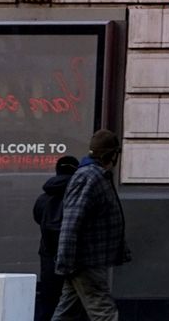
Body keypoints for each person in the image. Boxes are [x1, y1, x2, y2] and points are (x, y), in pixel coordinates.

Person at [53, 130, 130, 321]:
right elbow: (72, 221)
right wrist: (66, 260)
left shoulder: (95, 175)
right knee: (104, 312)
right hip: (87, 261)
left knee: (67, 313)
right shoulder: (89, 177)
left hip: (84, 260)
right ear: (110, 155)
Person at [34, 155, 86, 321]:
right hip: (75, 256)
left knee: (48, 301)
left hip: (48, 256)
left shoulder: (43, 198)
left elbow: (37, 217)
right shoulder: (79, 196)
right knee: (75, 301)